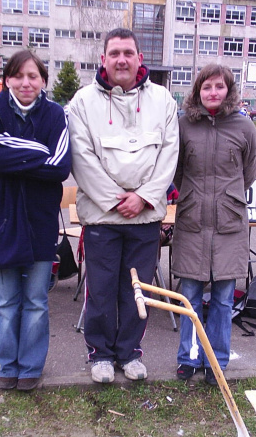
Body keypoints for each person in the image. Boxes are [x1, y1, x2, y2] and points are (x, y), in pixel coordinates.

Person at [67, 28, 179, 384]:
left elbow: (169, 155)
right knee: (100, 290)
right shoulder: (83, 102)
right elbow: (81, 158)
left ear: (139, 58)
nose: (121, 59)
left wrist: (144, 197)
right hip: (103, 217)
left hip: (145, 219)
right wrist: (118, 201)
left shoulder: (163, 100)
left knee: (137, 291)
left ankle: (129, 353)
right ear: (103, 59)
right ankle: (100, 354)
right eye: (114, 53)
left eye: (128, 52)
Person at [0, 50, 71, 391]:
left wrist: (11, 157)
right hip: (1, 222)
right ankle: (8, 365)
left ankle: (30, 367)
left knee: (35, 301)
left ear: (43, 80)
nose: (25, 83)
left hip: (40, 222)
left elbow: (60, 166)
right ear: (7, 80)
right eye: (18, 76)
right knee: (5, 302)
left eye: (33, 76)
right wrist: (38, 151)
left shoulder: (55, 114)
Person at [171, 64, 256, 385]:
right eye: (207, 87)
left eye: (219, 87)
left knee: (223, 299)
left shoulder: (244, 127)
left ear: (228, 90)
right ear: (198, 90)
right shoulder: (183, 125)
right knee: (190, 298)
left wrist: (226, 198)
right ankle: (188, 357)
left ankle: (216, 361)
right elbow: (177, 170)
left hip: (229, 225)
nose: (213, 92)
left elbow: (248, 173)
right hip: (193, 221)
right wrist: (195, 195)